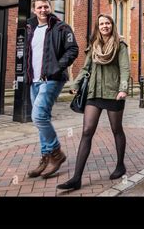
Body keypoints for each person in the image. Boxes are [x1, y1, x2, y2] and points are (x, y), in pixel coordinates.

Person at [57, 14, 130, 190]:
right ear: (98, 27)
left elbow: (125, 68)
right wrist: (75, 84)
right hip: (94, 93)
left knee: (116, 130)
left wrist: (123, 89)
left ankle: (120, 165)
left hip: (113, 93)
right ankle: (76, 178)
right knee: (87, 131)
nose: (105, 26)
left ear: (112, 25)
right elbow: (85, 68)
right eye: (102, 24)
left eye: (108, 23)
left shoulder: (120, 45)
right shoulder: (93, 46)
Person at [26, 0, 79, 179]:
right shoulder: (30, 28)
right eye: (39, 7)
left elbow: (73, 49)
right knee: (43, 119)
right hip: (34, 80)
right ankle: (46, 157)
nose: (43, 10)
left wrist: (56, 68)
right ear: (34, 10)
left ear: (50, 7)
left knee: (38, 116)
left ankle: (56, 153)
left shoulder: (61, 27)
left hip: (52, 79)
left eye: (46, 7)